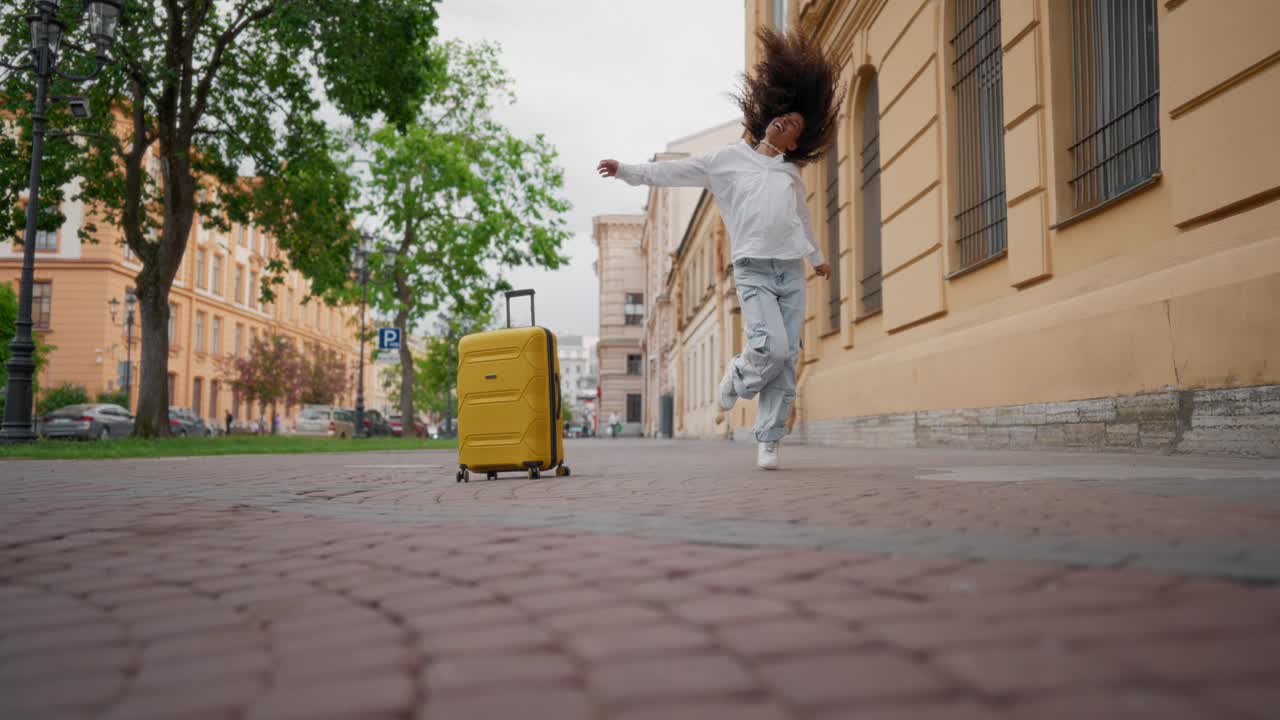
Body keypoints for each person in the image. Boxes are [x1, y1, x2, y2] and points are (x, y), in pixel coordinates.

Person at [598, 28, 839, 470]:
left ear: (795, 145)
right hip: (750, 269)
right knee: (769, 348)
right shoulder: (727, 159)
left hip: (789, 270)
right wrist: (626, 171)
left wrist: (818, 259)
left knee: (787, 358)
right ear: (770, 116)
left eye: (795, 128)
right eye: (784, 117)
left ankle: (769, 439)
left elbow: (800, 221)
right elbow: (676, 173)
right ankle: (738, 373)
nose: (786, 123)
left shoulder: (789, 176)